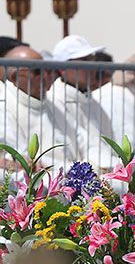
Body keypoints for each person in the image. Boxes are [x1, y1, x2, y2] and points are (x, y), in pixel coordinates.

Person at [1, 44, 76, 168]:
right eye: (37, 71)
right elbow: (21, 157)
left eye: (46, 69)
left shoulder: (55, 103)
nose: (45, 76)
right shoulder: (3, 106)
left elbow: (81, 140)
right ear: (15, 77)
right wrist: (70, 169)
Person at [47, 35, 116, 170]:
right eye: (83, 61)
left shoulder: (90, 99)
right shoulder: (55, 100)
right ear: (62, 68)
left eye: (91, 59)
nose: (90, 67)